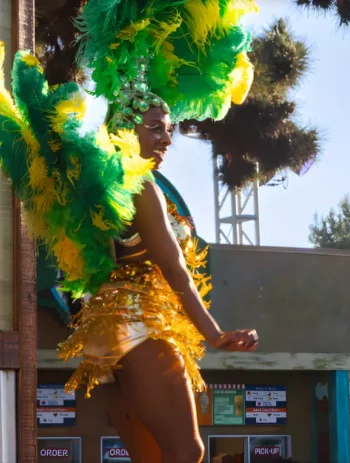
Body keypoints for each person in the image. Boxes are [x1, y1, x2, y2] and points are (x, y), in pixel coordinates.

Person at [0, 1, 259, 462]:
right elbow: (175, 267)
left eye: (170, 130)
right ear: (125, 127)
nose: (166, 139)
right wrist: (215, 333)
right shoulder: (140, 186)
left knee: (152, 456)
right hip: (143, 326)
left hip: (112, 333)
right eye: (156, 128)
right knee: (188, 453)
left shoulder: (103, 186)